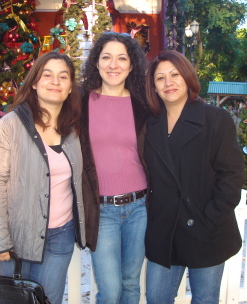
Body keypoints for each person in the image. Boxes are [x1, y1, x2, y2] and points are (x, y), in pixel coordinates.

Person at [0, 51, 86, 304]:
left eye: (63, 77)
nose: (55, 82)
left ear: (71, 87)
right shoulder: (10, 125)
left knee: (48, 300)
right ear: (35, 82)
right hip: (17, 236)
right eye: (47, 75)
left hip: (60, 235)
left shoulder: (73, 129)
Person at [144, 50, 245, 304]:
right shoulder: (149, 125)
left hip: (206, 229)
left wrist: (210, 218)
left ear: (187, 77)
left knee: (205, 299)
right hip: (164, 232)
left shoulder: (215, 119)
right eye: (160, 78)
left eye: (175, 74)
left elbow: (232, 175)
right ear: (153, 87)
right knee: (157, 298)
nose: (169, 83)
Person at [80, 32, 149, 304]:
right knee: (110, 291)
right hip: (103, 210)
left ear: (131, 65)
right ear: (96, 62)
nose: (114, 65)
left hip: (139, 208)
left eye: (122, 58)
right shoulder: (80, 103)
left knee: (131, 285)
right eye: (106, 57)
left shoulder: (143, 104)